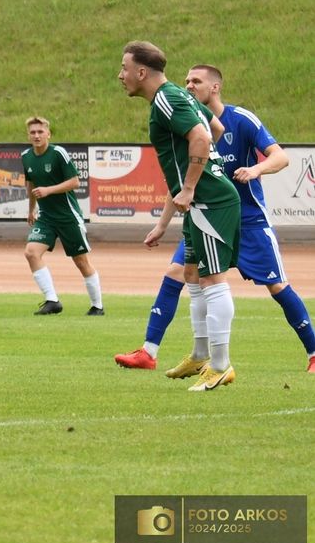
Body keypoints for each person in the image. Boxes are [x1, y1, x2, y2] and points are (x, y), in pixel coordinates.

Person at [115, 64, 315, 373]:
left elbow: (281, 157)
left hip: (248, 220)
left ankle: (313, 352)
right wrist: (162, 224)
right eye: (187, 81)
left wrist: (256, 169)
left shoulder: (241, 120)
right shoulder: (187, 120)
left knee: (276, 286)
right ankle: (150, 352)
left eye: (197, 81)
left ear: (215, 87)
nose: (189, 85)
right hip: (204, 212)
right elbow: (181, 180)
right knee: (177, 273)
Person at [117, 41, 241, 392]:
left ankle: (220, 365)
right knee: (191, 273)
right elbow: (214, 129)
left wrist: (190, 188)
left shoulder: (167, 99)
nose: (120, 75)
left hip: (210, 201)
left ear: (141, 72)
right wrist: (165, 218)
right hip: (203, 199)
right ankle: (201, 355)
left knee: (213, 279)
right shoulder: (175, 96)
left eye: (124, 68)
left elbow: (202, 136)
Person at [21, 116, 104, 316]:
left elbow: (75, 181)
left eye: (40, 132)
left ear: (48, 134)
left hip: (68, 217)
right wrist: (31, 209)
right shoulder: (26, 156)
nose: (37, 135)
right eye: (33, 132)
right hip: (46, 218)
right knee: (31, 252)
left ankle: (97, 306)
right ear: (28, 135)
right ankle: (52, 301)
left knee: (81, 262)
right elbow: (31, 184)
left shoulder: (58, 153)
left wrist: (49, 190)